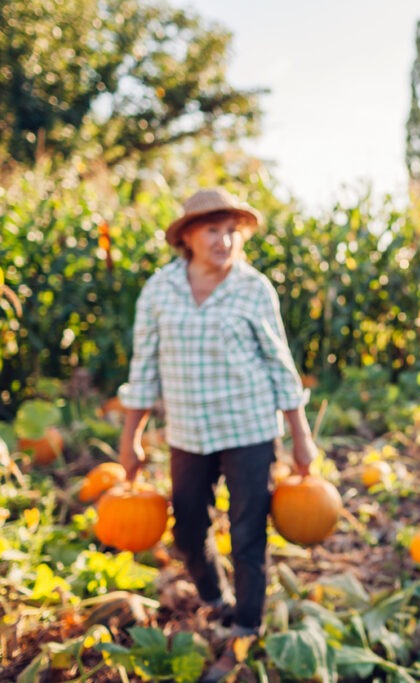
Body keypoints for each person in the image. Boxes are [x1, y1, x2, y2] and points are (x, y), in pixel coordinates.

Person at [116, 187, 318, 680]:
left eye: (232, 230)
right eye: (212, 229)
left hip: (248, 427)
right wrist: (131, 437)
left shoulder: (253, 289)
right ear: (187, 236)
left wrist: (300, 436)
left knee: (248, 534)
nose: (224, 239)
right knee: (187, 529)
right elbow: (144, 369)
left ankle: (246, 625)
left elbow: (279, 365)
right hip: (187, 431)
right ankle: (215, 596)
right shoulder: (159, 291)